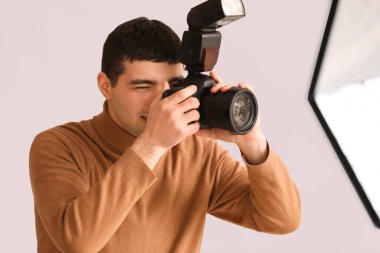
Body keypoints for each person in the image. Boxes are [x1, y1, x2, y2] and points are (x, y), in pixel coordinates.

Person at [29, 17, 301, 253]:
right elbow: (78, 243)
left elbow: (282, 219)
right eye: (143, 86)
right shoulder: (57, 145)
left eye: (173, 85)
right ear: (105, 86)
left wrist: (252, 141)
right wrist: (152, 145)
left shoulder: (196, 151)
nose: (160, 101)